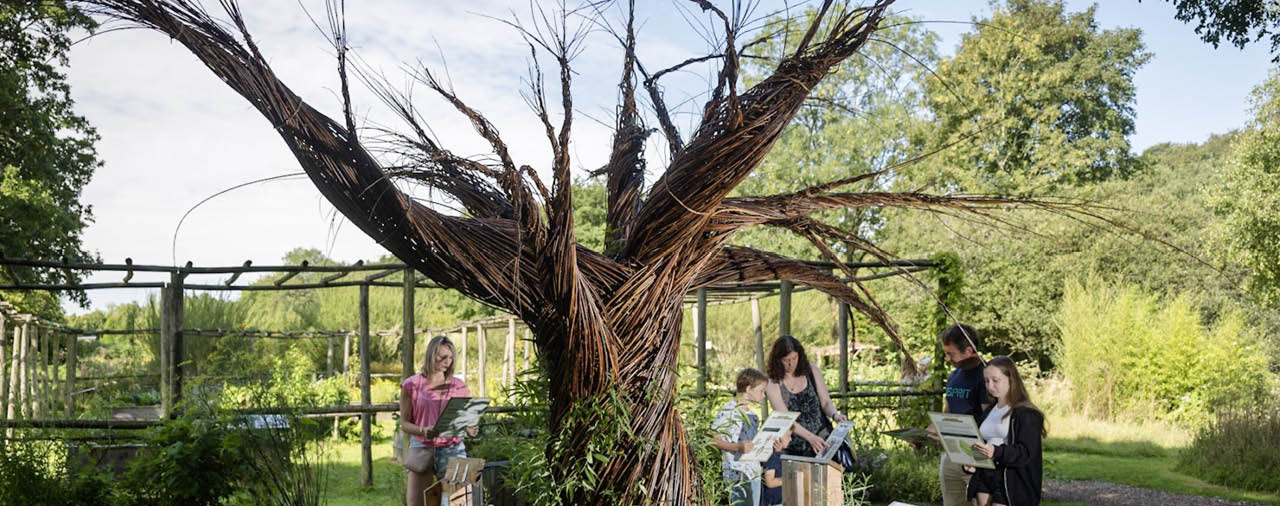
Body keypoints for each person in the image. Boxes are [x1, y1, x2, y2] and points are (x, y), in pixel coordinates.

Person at [400, 335, 479, 506]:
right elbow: (404, 424)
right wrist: (423, 430)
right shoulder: (411, 384)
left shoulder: (459, 386)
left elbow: (466, 420)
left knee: (460, 504)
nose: (447, 362)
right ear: (430, 355)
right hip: (422, 450)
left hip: (454, 449)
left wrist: (471, 428)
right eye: (442, 357)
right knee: (416, 504)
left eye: (450, 358)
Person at [965, 356, 1046, 506]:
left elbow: (1026, 453)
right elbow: (982, 443)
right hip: (984, 474)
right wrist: (972, 462)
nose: (990, 386)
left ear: (1011, 379)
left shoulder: (1027, 414)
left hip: (1010, 479)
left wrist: (996, 452)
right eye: (986, 381)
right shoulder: (989, 411)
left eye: (996, 380)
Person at [929, 323, 987, 506]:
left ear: (969, 350)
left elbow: (989, 419)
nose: (947, 358)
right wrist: (937, 429)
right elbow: (948, 409)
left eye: (951, 354)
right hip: (951, 454)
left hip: (976, 455)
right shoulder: (954, 376)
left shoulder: (986, 376)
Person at [764, 335, 847, 457]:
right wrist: (810, 438)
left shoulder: (812, 370)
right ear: (777, 360)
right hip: (793, 446)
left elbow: (825, 402)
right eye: (786, 360)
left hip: (823, 438)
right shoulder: (772, 383)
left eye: (794, 358)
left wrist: (835, 415)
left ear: (800, 355)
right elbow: (786, 419)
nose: (791, 364)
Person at [711, 368, 769, 506]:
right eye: (761, 391)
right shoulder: (729, 410)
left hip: (753, 473)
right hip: (738, 475)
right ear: (749, 389)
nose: (764, 395)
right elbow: (712, 439)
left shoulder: (753, 415)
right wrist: (737, 447)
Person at [759, 427, 792, 506]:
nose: (790, 439)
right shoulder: (771, 456)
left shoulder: (781, 454)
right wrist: (791, 479)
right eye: (788, 436)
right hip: (773, 503)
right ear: (778, 437)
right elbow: (770, 482)